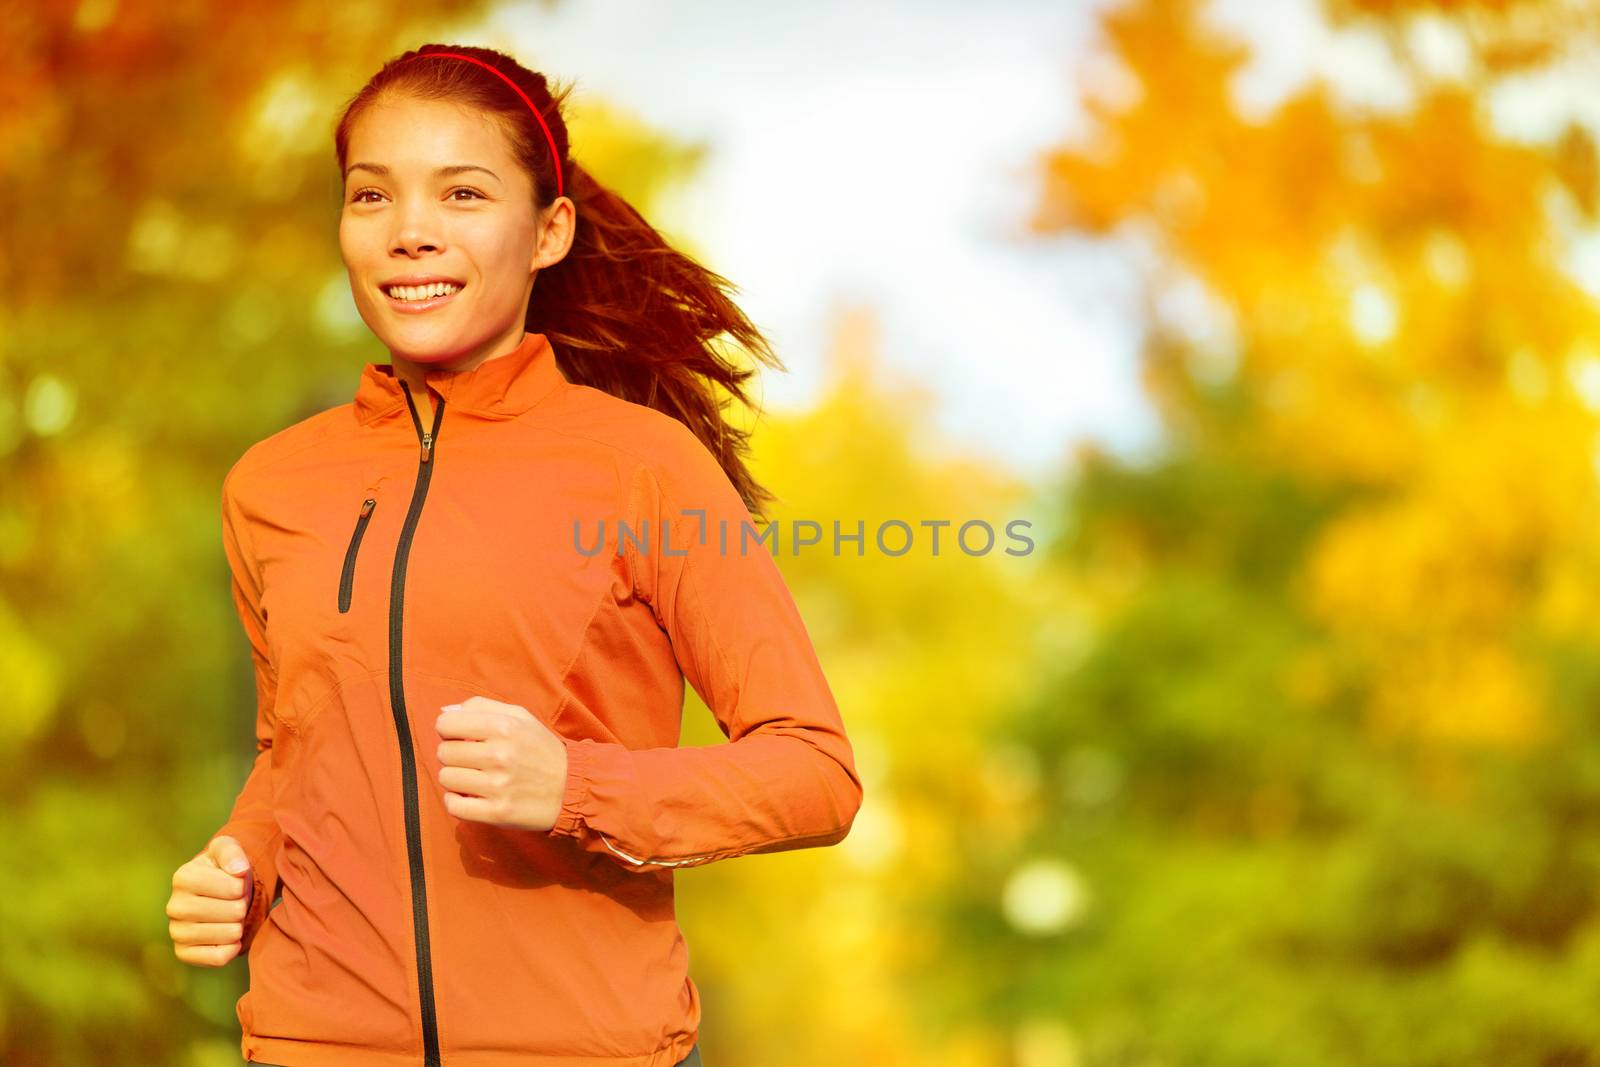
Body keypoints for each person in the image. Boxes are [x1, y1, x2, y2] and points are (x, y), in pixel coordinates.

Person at [163, 43, 863, 1067]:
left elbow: (814, 772)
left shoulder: (642, 467)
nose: (409, 233)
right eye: (371, 196)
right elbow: (295, 750)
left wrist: (576, 786)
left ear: (548, 232)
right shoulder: (270, 486)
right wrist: (240, 863)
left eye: (462, 193)